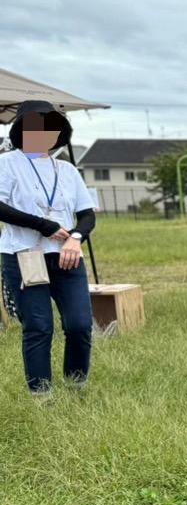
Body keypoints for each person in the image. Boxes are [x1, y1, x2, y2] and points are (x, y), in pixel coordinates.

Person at [0, 101, 98, 395]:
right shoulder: (7, 163)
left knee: (80, 325)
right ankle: (41, 396)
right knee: (39, 327)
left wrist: (75, 237)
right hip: (24, 255)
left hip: (67, 256)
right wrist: (44, 225)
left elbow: (87, 214)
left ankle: (76, 386)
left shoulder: (66, 169)